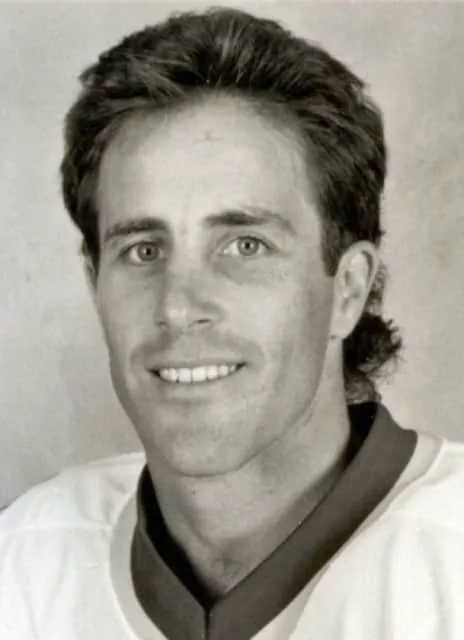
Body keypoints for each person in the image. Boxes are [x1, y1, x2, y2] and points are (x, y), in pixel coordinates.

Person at [1, 7, 464, 640]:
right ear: (94, 281)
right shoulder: (23, 565)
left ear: (348, 289)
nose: (177, 306)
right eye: (143, 250)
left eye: (245, 246)